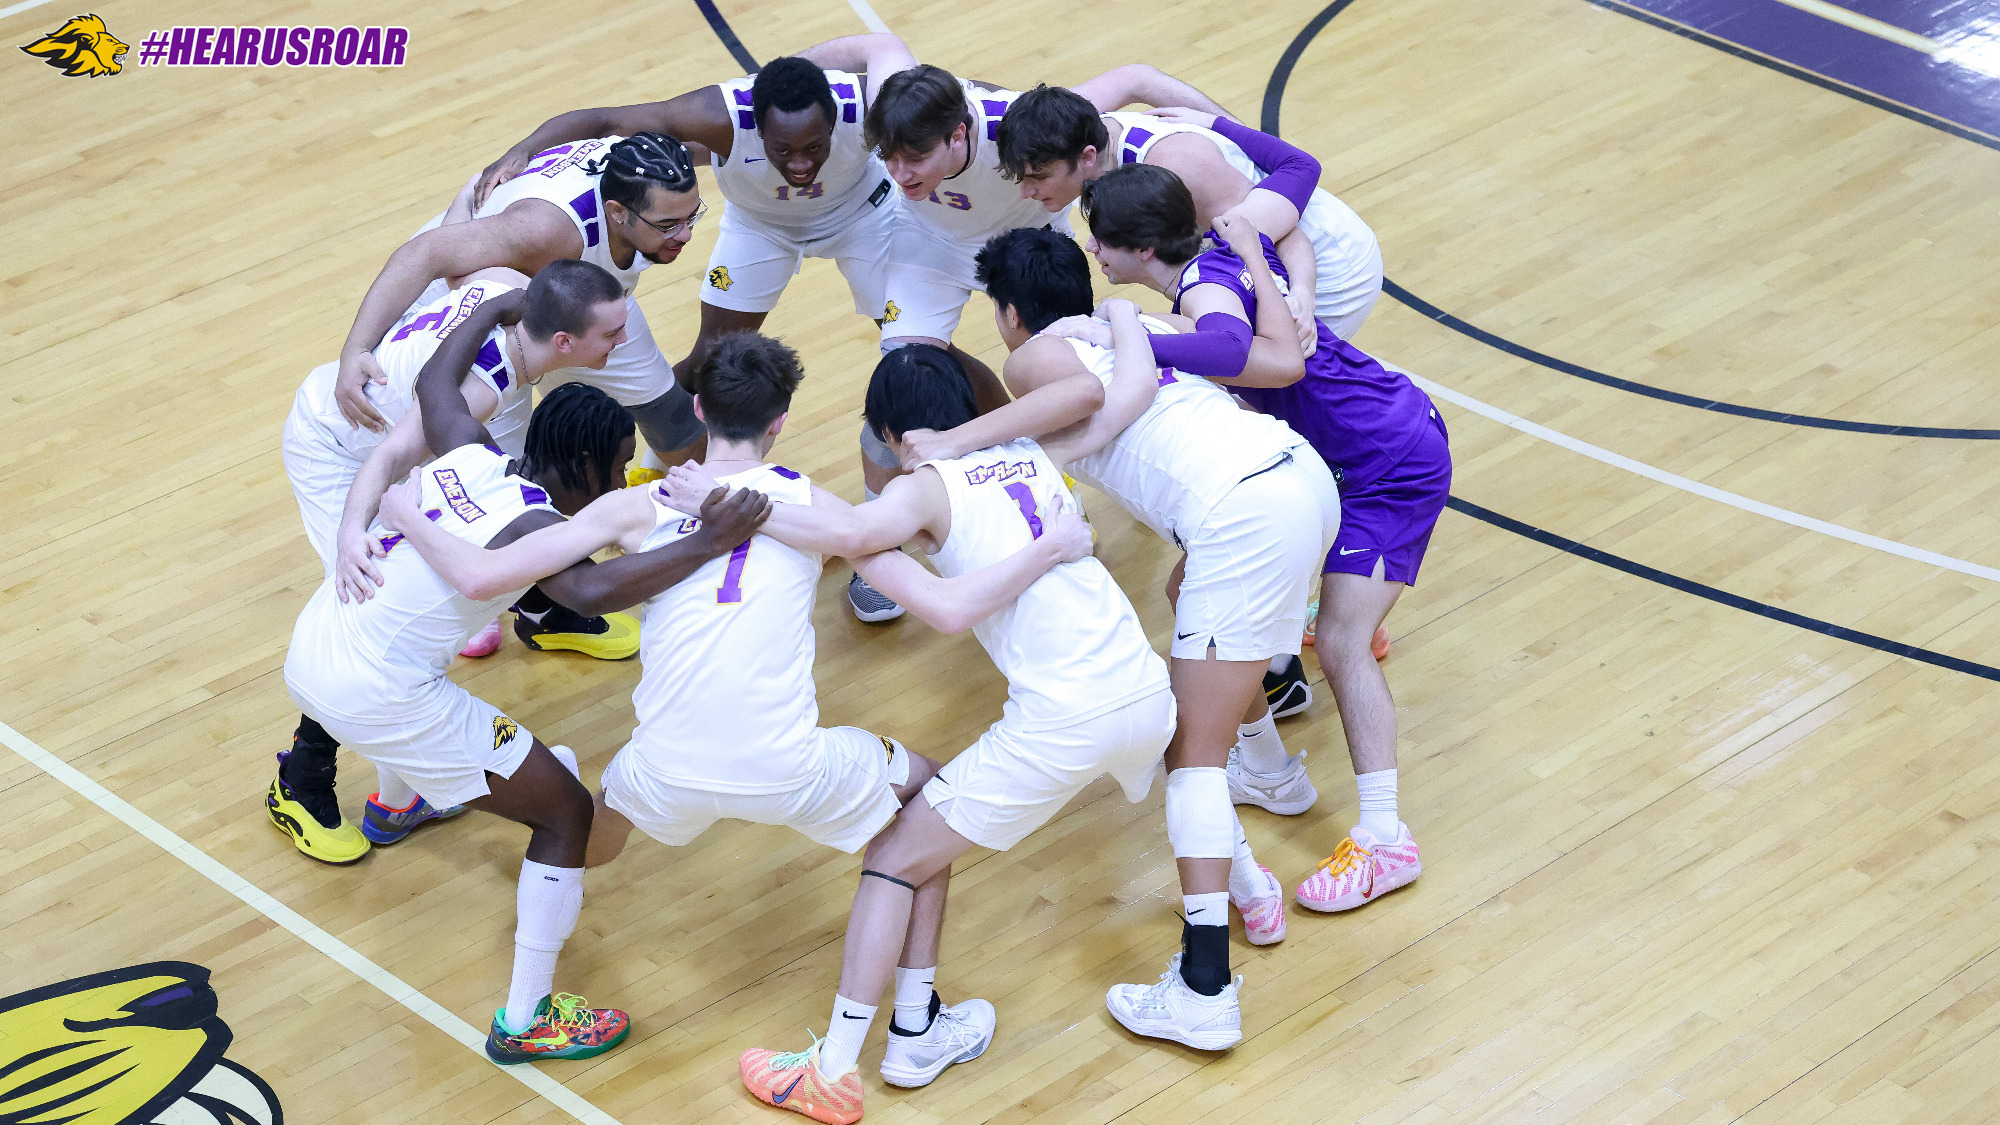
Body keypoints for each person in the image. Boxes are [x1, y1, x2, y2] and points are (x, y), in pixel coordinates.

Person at [662, 345, 1174, 1122]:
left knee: (898, 854)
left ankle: (832, 1069)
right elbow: (1108, 386)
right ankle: (916, 1029)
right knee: (1189, 778)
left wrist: (726, 500)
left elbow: (860, 535)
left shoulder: (919, 488)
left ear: (890, 433)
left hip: (1063, 718)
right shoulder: (1029, 449)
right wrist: (1127, 319)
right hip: (1146, 683)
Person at [283, 272, 772, 1062]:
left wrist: (498, 309)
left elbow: (441, 375)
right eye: (615, 469)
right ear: (581, 464)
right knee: (566, 812)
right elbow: (587, 588)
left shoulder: (464, 445)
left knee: (427, 664)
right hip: (374, 694)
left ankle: (395, 806)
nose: (618, 485)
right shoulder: (533, 529)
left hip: (314, 649)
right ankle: (528, 1018)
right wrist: (706, 543)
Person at [895, 227, 1341, 1046]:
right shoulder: (1126, 325)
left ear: (1009, 315)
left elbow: (1075, 402)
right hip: (1298, 479)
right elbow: (1254, 371)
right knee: (1192, 626)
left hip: (1241, 511)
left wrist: (953, 441)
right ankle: (1270, 801)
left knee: (1190, 753)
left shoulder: (1035, 358)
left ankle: (1205, 988)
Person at [1068, 160, 1449, 914]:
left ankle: (1385, 838)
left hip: (1387, 458)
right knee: (1189, 590)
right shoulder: (1223, 251)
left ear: (1140, 248)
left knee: (1343, 640)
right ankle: (1269, 767)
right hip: (1346, 448)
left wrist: (1131, 337)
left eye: (1101, 245)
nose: (1096, 259)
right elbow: (1294, 224)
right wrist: (1288, 280)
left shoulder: (1209, 294)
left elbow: (1240, 350)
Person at [269, 260, 632, 864]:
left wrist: (493, 303)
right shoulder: (484, 384)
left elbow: (445, 245)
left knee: (444, 585)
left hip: (407, 457)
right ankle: (304, 778)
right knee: (378, 621)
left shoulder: (511, 301)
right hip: (339, 450)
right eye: (612, 333)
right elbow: (389, 458)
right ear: (564, 340)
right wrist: (350, 533)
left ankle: (540, 614)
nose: (624, 342)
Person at [471, 56, 899, 396]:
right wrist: (523, 149)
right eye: (783, 150)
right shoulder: (718, 115)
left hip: (863, 213)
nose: (801, 165)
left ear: (835, 122)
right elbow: (605, 120)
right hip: (762, 224)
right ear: (756, 125)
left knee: (909, 339)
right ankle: (659, 464)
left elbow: (956, 99)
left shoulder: (867, 102)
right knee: (709, 358)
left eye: (813, 147)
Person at [329, 132, 710, 472]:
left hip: (576, 296)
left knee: (669, 414)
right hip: (477, 303)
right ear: (617, 212)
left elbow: (596, 118)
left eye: (691, 216)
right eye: (668, 225)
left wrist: (523, 148)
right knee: (492, 474)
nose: (686, 234)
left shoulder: (650, 162)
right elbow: (427, 254)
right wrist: (356, 349)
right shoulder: (546, 232)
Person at [996, 85, 1380, 342]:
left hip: (1324, 265)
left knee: (1275, 388)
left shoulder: (1179, 165)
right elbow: (1136, 75)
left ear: (1088, 158)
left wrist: (1302, 296)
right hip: (1256, 262)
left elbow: (1281, 234)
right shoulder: (1085, 136)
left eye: (1038, 177)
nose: (1026, 192)